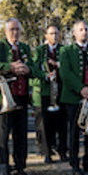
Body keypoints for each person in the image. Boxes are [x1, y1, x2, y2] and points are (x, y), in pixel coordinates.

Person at [0, 18, 42, 175]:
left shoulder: (24, 47)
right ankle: (4, 169)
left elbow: (34, 68)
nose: (15, 33)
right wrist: (9, 67)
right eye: (12, 29)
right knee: (3, 135)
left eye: (17, 29)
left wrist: (28, 69)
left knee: (21, 134)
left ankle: (20, 168)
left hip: (21, 97)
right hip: (3, 98)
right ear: (5, 31)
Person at [59, 20, 88, 175]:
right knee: (74, 132)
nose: (84, 32)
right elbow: (65, 73)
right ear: (74, 33)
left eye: (86, 29)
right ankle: (74, 163)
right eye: (80, 29)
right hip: (73, 97)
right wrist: (81, 89)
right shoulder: (66, 51)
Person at [33, 25, 68, 163]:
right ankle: (47, 152)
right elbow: (35, 68)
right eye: (51, 33)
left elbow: (67, 66)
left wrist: (58, 65)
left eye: (56, 33)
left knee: (62, 123)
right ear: (46, 36)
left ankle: (63, 150)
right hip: (46, 91)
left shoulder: (64, 49)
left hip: (61, 91)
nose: (54, 36)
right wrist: (45, 76)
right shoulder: (40, 50)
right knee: (46, 123)